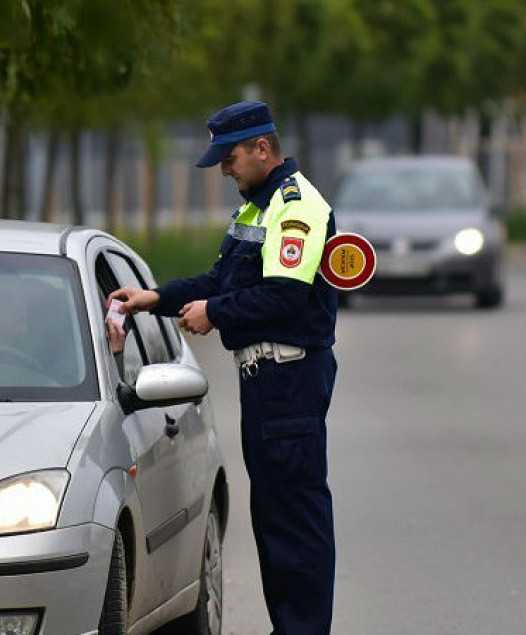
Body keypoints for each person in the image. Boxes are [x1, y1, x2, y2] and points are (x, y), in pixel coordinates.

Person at [108, 100, 338, 635]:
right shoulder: (256, 208)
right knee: (275, 525)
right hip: (267, 384)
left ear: (263, 148)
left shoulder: (296, 206)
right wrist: (156, 297)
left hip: (290, 379)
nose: (225, 170)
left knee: (294, 526)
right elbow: (221, 280)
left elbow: (284, 294)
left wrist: (215, 314)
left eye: (230, 159)